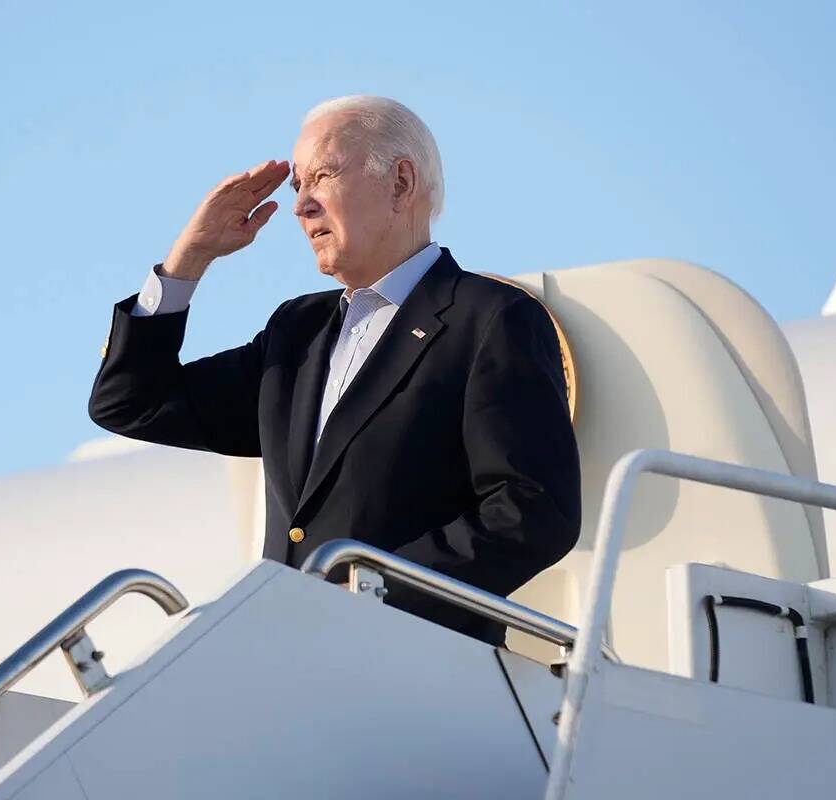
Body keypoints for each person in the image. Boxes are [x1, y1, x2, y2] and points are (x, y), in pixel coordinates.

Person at [89, 95, 580, 646]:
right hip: (296, 667)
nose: (301, 206)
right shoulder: (297, 332)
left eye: (321, 177)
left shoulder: (489, 319)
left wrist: (375, 589)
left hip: (425, 672)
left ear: (400, 183)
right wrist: (189, 260)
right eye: (297, 186)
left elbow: (533, 511)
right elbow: (130, 403)